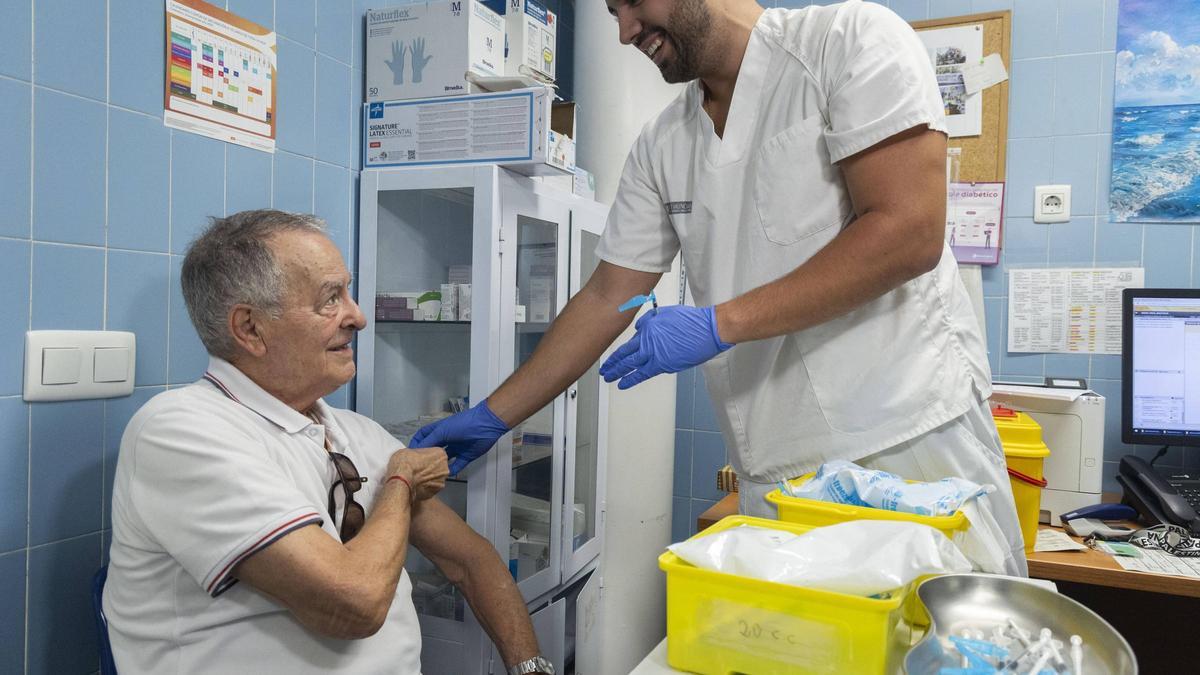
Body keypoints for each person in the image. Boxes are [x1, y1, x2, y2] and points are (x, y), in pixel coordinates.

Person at [411, 0, 1027, 576]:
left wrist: (718, 324)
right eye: (612, 13)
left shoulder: (849, 42)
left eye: (630, 2)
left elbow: (907, 231)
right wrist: (494, 415)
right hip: (780, 470)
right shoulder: (663, 143)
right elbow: (605, 295)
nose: (624, 31)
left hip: (906, 442)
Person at [104, 210, 553, 675]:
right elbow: (353, 605)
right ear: (250, 329)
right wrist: (400, 480)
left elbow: (472, 560)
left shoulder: (351, 432)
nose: (356, 316)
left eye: (348, 292)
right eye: (330, 299)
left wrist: (531, 668)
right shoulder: (182, 431)